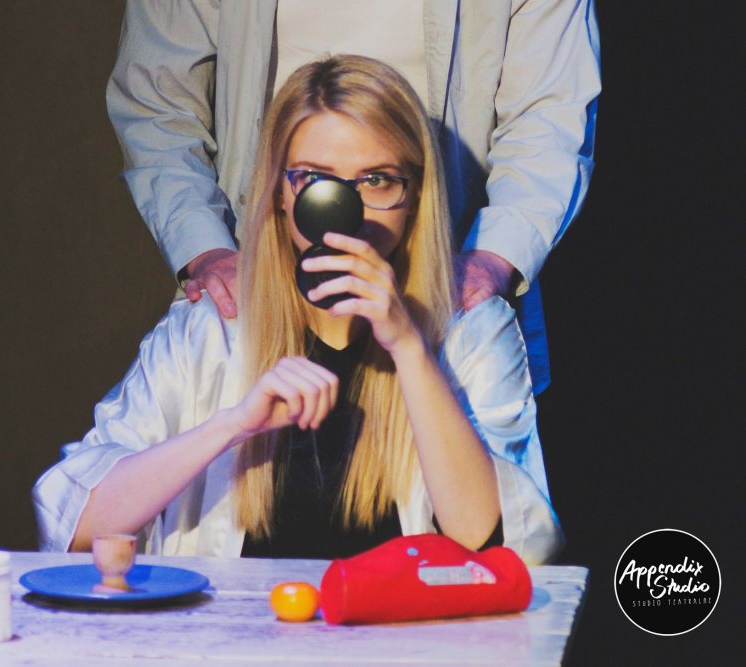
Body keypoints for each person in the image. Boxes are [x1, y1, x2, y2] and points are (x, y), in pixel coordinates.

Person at [34, 56, 562, 565]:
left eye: (377, 180)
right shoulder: (213, 330)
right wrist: (232, 425)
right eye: (315, 180)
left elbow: (495, 542)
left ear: (415, 195)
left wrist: (409, 347)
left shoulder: (471, 329)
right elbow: (75, 527)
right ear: (280, 194)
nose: (346, 212)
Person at [107, 1, 601, 395]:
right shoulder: (201, 343)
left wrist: (491, 260)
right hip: (258, 287)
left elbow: (551, 114)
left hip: (446, 294)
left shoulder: (477, 342)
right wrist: (205, 248)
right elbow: (157, 101)